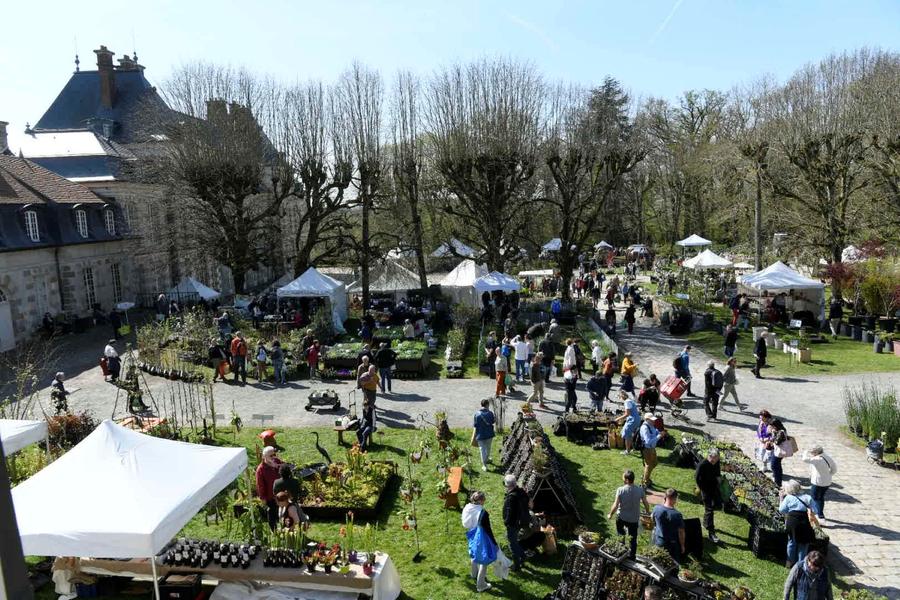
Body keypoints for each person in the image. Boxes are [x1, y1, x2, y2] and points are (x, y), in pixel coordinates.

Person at [607, 469, 650, 559]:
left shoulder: (620, 490)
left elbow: (615, 504)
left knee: (620, 534)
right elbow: (646, 502)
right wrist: (647, 511)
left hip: (621, 518)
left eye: (623, 477)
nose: (622, 478)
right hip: (634, 519)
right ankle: (632, 557)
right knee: (633, 539)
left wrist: (610, 514)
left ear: (626, 480)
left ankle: (621, 553)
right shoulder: (640, 490)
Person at [462, 491, 499, 593]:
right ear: (481, 500)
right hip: (482, 537)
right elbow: (488, 530)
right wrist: (494, 543)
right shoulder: (483, 513)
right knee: (484, 560)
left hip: (471, 534)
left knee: (473, 554)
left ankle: (474, 574)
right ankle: (481, 585)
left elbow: (465, 523)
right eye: (484, 499)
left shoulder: (467, 508)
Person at [779, 480, 817, 567]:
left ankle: (789, 562)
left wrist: (781, 499)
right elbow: (815, 511)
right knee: (803, 544)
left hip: (792, 522)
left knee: (792, 541)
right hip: (804, 522)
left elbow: (781, 510)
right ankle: (800, 565)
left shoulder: (788, 498)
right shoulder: (807, 497)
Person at [802, 445, 838, 525]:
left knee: (814, 498)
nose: (811, 454)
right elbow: (834, 469)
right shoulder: (827, 457)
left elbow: (804, 459)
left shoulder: (817, 459)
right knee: (820, 498)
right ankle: (818, 514)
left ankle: (820, 516)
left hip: (818, 482)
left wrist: (805, 452)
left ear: (816, 452)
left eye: (812, 453)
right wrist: (828, 475)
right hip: (827, 482)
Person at [502, 474, 530, 570]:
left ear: (508, 485)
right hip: (521, 522)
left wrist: (506, 522)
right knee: (514, 542)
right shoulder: (521, 492)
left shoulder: (512, 497)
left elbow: (510, 512)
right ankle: (523, 556)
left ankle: (516, 565)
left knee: (512, 544)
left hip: (513, 524)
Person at [695, 448, 723, 543]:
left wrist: (719, 481)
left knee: (717, 505)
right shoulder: (702, 465)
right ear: (710, 456)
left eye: (718, 459)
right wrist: (701, 489)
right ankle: (711, 532)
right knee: (709, 509)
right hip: (705, 488)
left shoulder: (716, 462)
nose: (717, 461)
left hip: (713, 486)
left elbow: (717, 472)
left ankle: (705, 523)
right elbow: (697, 478)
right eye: (716, 459)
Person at [651, 488, 686, 562]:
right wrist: (682, 545)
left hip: (658, 540)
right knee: (673, 564)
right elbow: (681, 532)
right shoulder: (677, 515)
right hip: (671, 544)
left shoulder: (656, 508)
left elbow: (652, 518)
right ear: (675, 499)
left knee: (658, 561)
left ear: (665, 497)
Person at [256, 446, 284, 530]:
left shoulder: (277, 461)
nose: (273, 457)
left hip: (281, 493)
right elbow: (260, 485)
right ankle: (274, 531)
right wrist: (263, 498)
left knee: (283, 512)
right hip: (270, 496)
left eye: (274, 454)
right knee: (272, 513)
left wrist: (278, 466)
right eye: (271, 456)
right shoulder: (261, 469)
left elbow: (285, 468)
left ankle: (284, 529)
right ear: (264, 457)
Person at [639, 413, 666, 489]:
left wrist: (659, 432)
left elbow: (654, 431)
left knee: (654, 463)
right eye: (652, 420)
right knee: (649, 465)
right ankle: (645, 482)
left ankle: (645, 476)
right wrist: (658, 436)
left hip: (651, 448)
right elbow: (647, 441)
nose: (654, 421)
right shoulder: (645, 428)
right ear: (647, 420)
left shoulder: (651, 425)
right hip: (647, 449)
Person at [473, 398, 496, 471]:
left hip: (480, 434)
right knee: (488, 448)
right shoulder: (490, 413)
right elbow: (493, 421)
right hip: (489, 434)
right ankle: (487, 458)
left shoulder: (476, 414)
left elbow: (475, 425)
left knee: (482, 449)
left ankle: (484, 465)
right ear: (487, 405)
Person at [768, 418, 790, 487]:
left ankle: (777, 482)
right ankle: (778, 480)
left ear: (775, 425)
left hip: (779, 451)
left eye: (772, 426)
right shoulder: (779, 430)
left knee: (774, 465)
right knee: (777, 465)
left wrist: (773, 433)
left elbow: (777, 442)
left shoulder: (781, 432)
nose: (771, 427)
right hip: (776, 450)